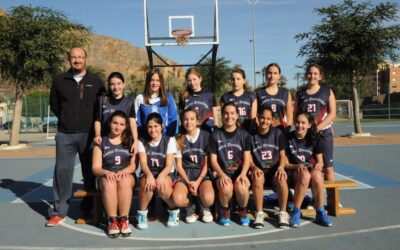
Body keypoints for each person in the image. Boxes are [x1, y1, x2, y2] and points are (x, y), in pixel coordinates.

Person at [47, 47, 105, 227]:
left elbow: (100, 108)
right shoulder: (59, 80)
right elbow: (54, 104)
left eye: (80, 57)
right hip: (65, 134)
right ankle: (59, 211)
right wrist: (67, 119)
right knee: (62, 173)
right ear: (69, 59)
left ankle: (89, 207)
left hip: (89, 135)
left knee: (90, 172)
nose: (77, 60)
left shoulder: (96, 81)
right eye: (74, 57)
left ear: (86, 59)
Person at [92, 111, 137, 238]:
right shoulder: (101, 141)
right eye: (115, 123)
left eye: (122, 124)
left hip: (125, 174)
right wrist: (106, 172)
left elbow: (133, 166)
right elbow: (95, 168)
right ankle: (112, 221)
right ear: (110, 123)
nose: (118, 127)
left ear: (126, 126)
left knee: (124, 180)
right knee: (109, 182)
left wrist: (124, 171)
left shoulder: (130, 141)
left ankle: (123, 220)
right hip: (105, 175)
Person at [285, 111, 333, 227]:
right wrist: (298, 166)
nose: (299, 125)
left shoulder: (314, 138)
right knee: (305, 174)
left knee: (317, 175)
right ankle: (296, 211)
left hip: (309, 172)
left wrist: (319, 165)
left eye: (303, 123)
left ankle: (320, 211)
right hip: (293, 173)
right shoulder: (287, 138)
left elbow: (320, 160)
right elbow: (285, 164)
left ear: (309, 125)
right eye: (297, 122)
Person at [294, 64, 337, 188]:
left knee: (328, 167)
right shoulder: (301, 93)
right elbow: (295, 114)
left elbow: (332, 113)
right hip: (307, 135)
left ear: (320, 76)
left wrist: (318, 127)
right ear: (306, 75)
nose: (312, 76)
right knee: (312, 167)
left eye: (315, 73)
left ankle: (332, 199)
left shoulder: (327, 91)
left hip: (323, 132)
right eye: (310, 73)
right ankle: (314, 197)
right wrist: (302, 129)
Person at [209, 102, 251, 226]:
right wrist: (221, 175)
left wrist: (243, 174)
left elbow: (247, 159)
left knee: (242, 188)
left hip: (238, 172)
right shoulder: (215, 135)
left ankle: (243, 210)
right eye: (226, 113)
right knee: (226, 187)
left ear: (237, 115)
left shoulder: (244, 135)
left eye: (232, 113)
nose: (229, 116)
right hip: (223, 172)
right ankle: (225, 211)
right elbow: (213, 160)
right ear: (222, 115)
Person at [171, 108, 215, 224]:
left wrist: (198, 181)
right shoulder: (179, 138)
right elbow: (179, 166)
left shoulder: (206, 136)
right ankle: (191, 205)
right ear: (182, 121)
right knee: (177, 199)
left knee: (209, 199)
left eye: (192, 119)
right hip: (185, 174)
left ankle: (204, 206)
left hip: (202, 173)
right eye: (185, 119)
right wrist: (188, 181)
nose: (188, 122)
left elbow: (207, 164)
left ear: (197, 121)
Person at [136, 112, 178, 229]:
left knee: (162, 183)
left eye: (156, 126)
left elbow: (169, 165)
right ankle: (142, 214)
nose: (152, 129)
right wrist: (149, 175)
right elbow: (143, 163)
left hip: (165, 173)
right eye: (150, 126)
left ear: (162, 127)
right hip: (149, 172)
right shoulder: (142, 141)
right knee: (146, 183)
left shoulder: (169, 140)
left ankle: (173, 210)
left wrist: (160, 177)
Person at [249, 107, 288, 229]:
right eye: (262, 118)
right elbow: (248, 156)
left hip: (274, 171)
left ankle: (282, 213)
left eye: (268, 119)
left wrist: (281, 168)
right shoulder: (250, 136)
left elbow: (282, 155)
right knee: (257, 177)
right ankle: (259, 213)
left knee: (282, 178)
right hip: (260, 170)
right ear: (257, 118)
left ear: (272, 121)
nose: (265, 121)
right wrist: (254, 167)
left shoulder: (278, 134)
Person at [93, 72, 138, 154]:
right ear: (109, 86)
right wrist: (97, 135)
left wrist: (135, 141)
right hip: (105, 142)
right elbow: (97, 120)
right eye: (112, 84)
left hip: (123, 143)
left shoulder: (129, 103)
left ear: (123, 85)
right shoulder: (102, 100)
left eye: (119, 83)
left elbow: (133, 124)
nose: (116, 87)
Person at [135, 68, 178, 137]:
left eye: (158, 80)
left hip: (164, 140)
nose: (155, 83)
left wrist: (168, 138)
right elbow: (136, 122)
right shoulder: (140, 98)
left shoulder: (168, 98)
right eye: (152, 80)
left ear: (161, 82)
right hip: (145, 141)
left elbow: (173, 119)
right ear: (148, 81)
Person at [255, 63, 293, 133]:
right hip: (264, 131)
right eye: (269, 73)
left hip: (281, 130)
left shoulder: (285, 92)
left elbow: (290, 114)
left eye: (275, 73)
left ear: (279, 76)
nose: (272, 76)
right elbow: (254, 114)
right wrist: (259, 127)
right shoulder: (258, 92)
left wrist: (288, 128)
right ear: (266, 75)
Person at [179, 67, 219, 132]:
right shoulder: (184, 96)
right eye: (189, 80)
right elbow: (181, 117)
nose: (192, 82)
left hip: (206, 132)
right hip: (189, 133)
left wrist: (216, 128)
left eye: (194, 79)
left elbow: (215, 116)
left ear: (200, 78)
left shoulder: (209, 95)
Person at [220, 68, 257, 132]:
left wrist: (249, 134)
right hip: (231, 133)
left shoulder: (251, 96)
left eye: (238, 79)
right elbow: (224, 119)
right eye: (233, 79)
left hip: (248, 132)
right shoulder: (225, 97)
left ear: (244, 80)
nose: (235, 82)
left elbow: (253, 119)